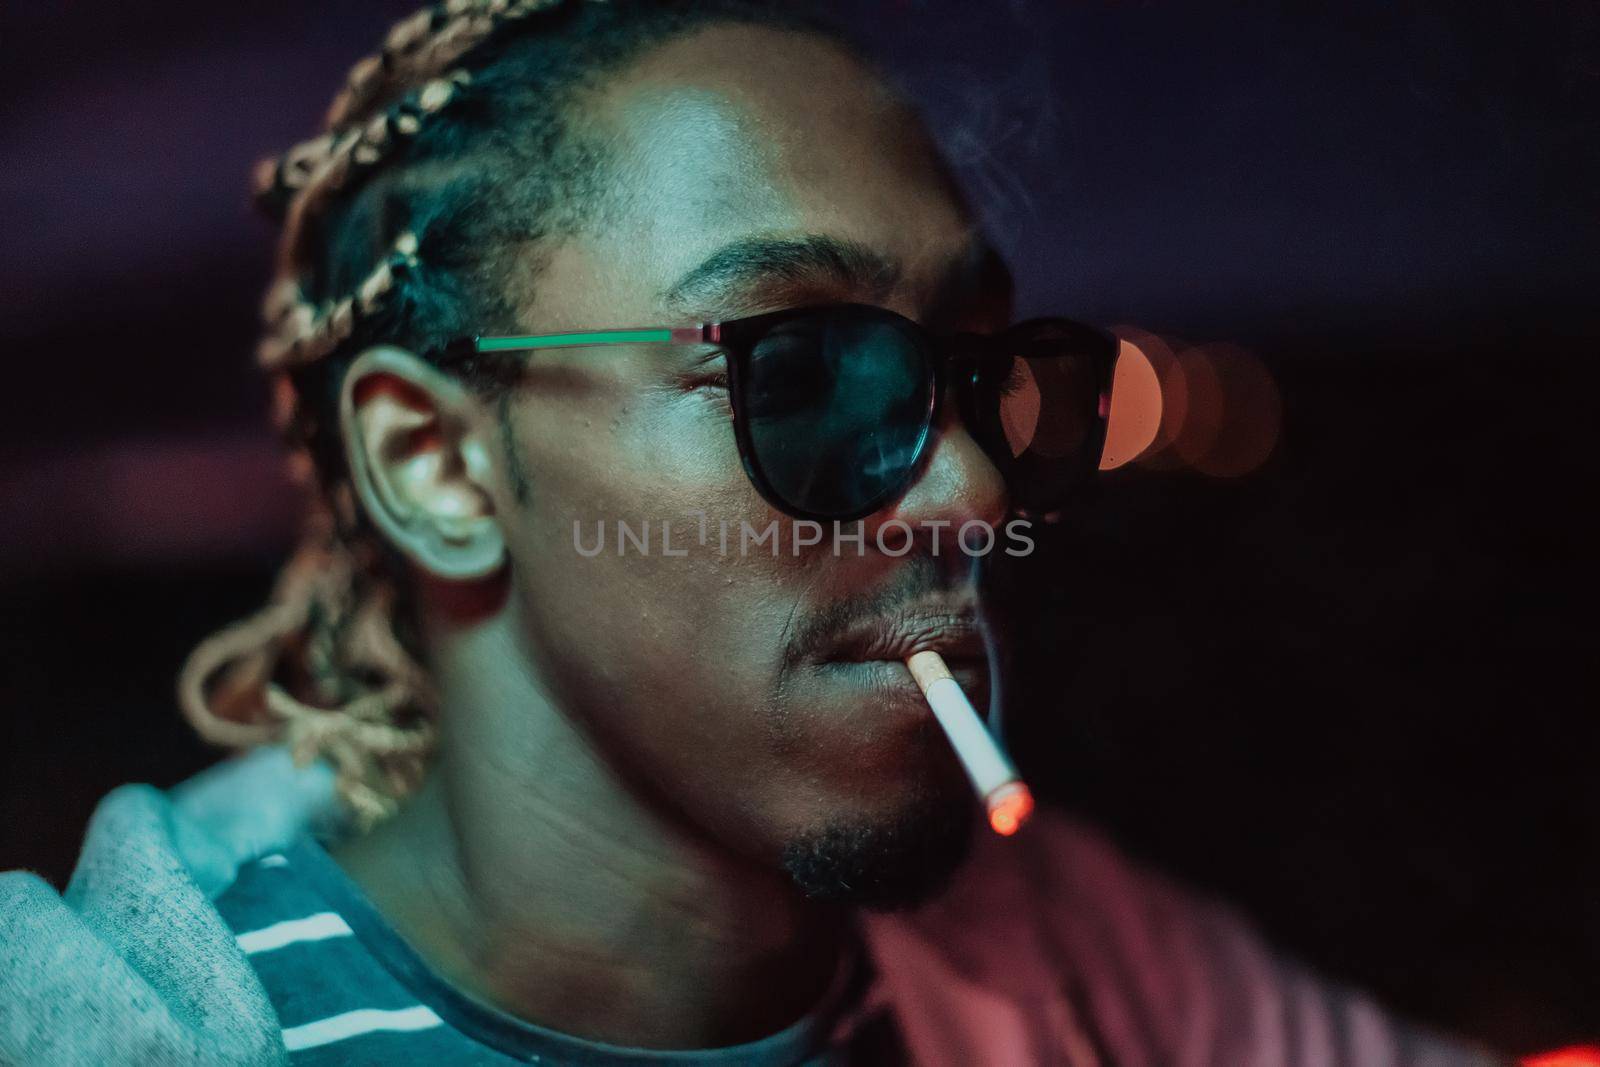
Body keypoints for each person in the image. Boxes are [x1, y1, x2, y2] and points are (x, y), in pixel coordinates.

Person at [0, 1, 1508, 1063]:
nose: (973, 491)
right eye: (803, 371)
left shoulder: (1078, 962)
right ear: (440, 463)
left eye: (984, 381)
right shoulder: (112, 1024)